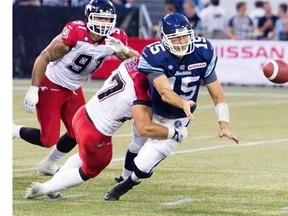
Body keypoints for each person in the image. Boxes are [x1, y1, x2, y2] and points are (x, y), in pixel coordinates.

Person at [104, 12, 240, 201]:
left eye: (185, 36)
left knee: (143, 167)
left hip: (177, 119)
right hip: (154, 106)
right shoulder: (155, 54)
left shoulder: (203, 50)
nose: (182, 42)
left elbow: (217, 94)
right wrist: (183, 102)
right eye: (176, 38)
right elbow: (164, 91)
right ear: (164, 39)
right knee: (137, 142)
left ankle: (126, 184)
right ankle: (124, 176)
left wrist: (224, 124)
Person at [25, 56, 188, 199]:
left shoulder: (132, 63)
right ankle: (45, 188)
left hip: (82, 114)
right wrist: (174, 133)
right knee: (90, 170)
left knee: (83, 156)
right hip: (96, 133)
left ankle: (54, 185)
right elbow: (145, 128)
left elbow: (137, 58)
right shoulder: (142, 90)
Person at [13, 0, 139, 176]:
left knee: (76, 132)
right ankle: (12, 130)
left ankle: (49, 164)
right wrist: (33, 89)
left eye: (107, 20)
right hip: (52, 83)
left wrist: (124, 49)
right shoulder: (76, 33)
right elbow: (44, 57)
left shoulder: (114, 38)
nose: (103, 24)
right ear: (88, 18)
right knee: (48, 138)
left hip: (73, 87)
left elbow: (138, 63)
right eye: (99, 19)